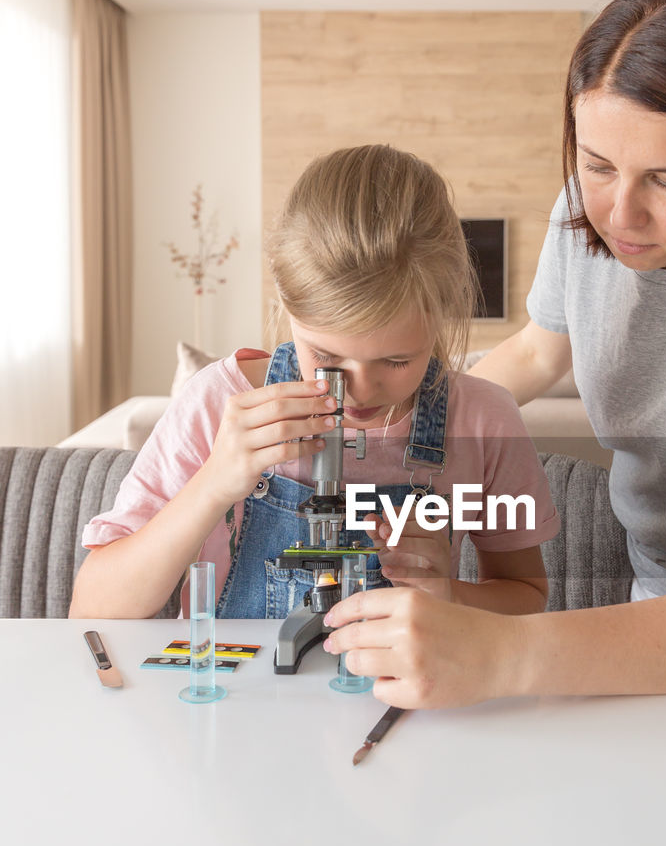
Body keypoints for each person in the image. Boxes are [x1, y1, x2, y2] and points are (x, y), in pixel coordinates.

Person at [323, 0, 666, 709]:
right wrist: (397, 427)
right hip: (653, 602)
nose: (617, 213)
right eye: (597, 164)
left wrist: (500, 654)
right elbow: (540, 353)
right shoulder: (585, 212)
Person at [70, 145, 558, 620]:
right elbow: (93, 610)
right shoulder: (217, 402)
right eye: (325, 356)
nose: (361, 391)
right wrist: (212, 486)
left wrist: (444, 593)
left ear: (444, 318)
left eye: (395, 360)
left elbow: (526, 595)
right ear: (287, 309)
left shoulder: (484, 421)